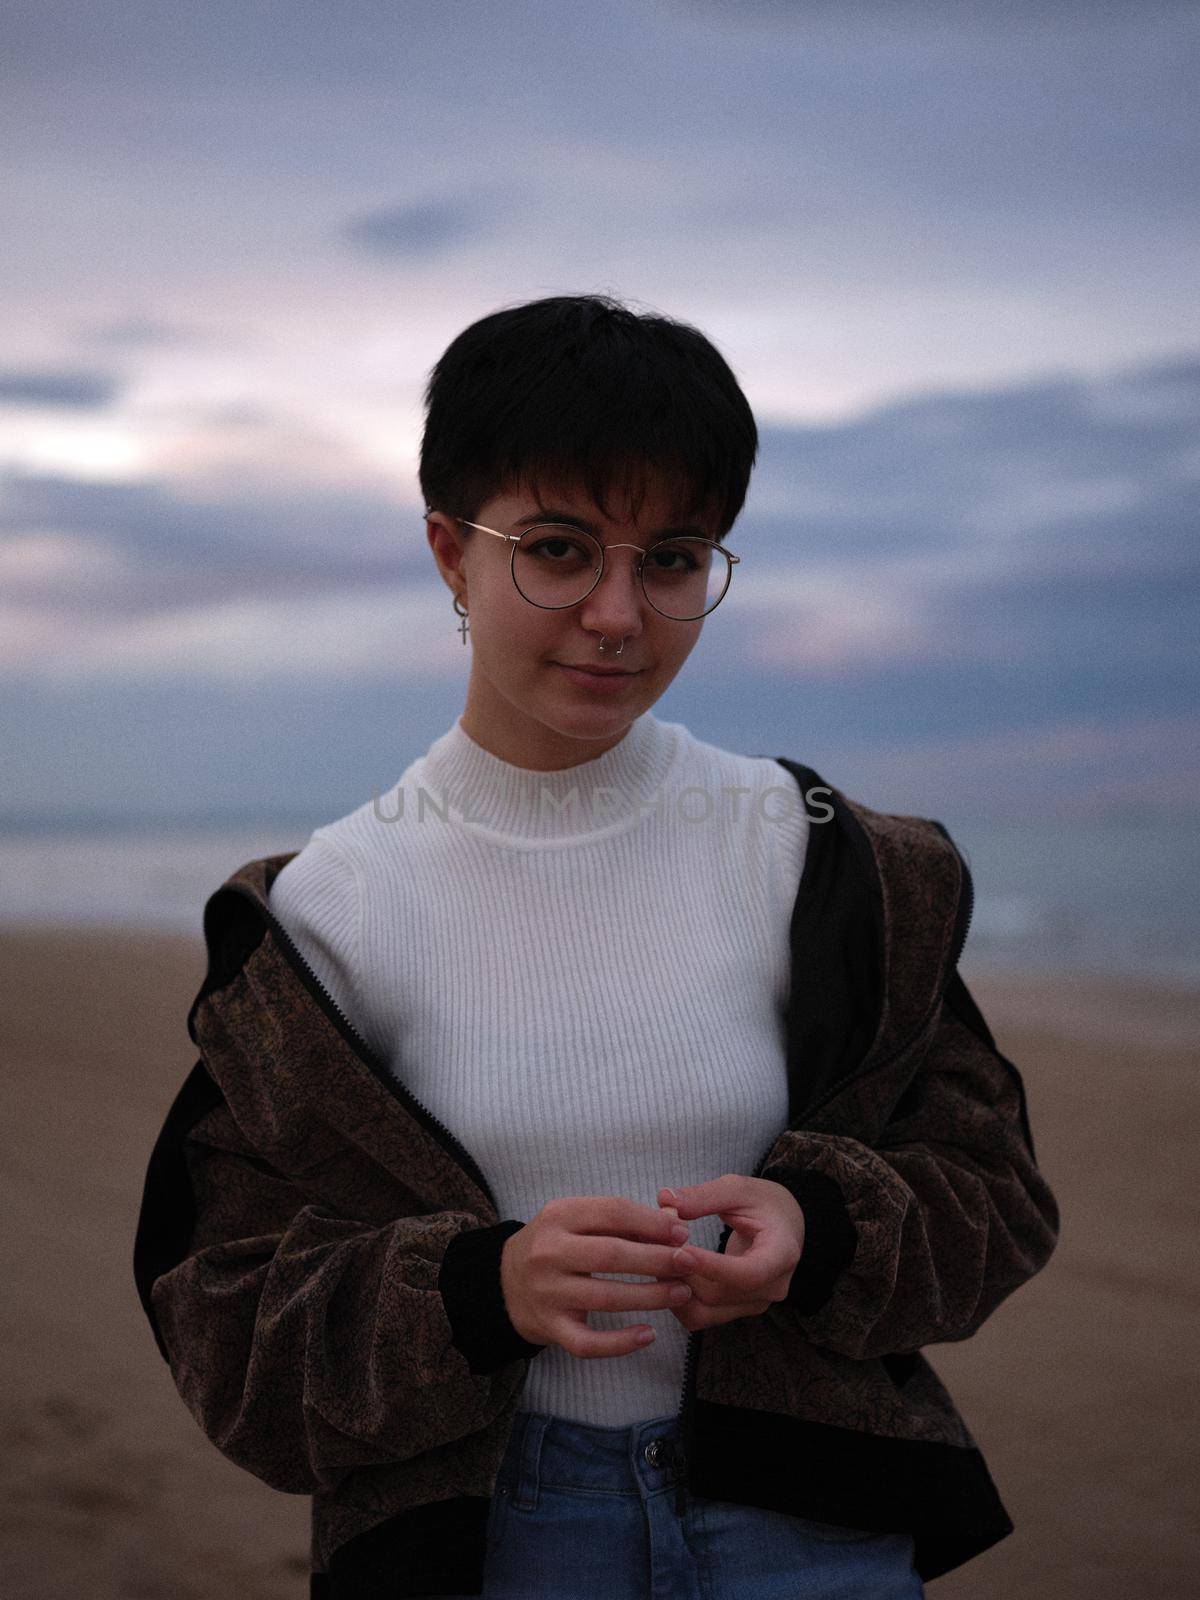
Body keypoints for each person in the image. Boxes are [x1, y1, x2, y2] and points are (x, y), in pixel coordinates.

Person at [133, 294, 1060, 1599]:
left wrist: (824, 1227)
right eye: (559, 549)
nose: (619, 613)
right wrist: (479, 1288)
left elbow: (997, 1192)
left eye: (674, 559)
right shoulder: (321, 916)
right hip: (491, 1540)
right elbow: (226, 1330)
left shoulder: (827, 859)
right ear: (451, 552)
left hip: (812, 1524)